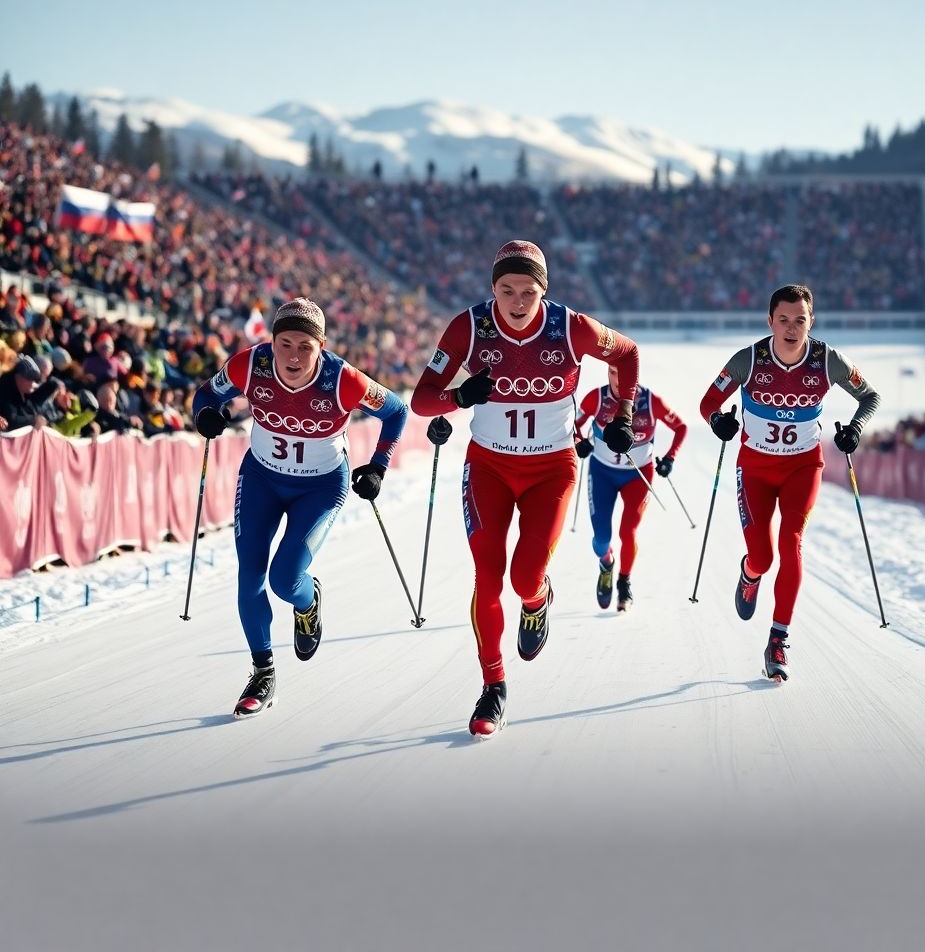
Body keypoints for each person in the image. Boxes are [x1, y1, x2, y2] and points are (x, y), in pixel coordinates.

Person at [411, 240, 640, 738]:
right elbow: (422, 401)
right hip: (488, 469)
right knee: (488, 576)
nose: (517, 302)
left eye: (528, 292)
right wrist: (458, 396)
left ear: (544, 291)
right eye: (506, 290)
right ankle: (493, 687)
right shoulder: (467, 327)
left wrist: (621, 413)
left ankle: (537, 601)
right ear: (492, 288)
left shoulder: (570, 326)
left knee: (524, 577)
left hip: (551, 471)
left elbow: (626, 352)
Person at [191, 297, 408, 718]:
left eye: (305, 347)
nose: (293, 356)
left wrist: (378, 466)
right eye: (284, 344)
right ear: (271, 341)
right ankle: (262, 672)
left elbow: (396, 412)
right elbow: (205, 394)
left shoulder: (343, 378)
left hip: (321, 488)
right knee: (249, 574)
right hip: (261, 479)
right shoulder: (248, 365)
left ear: (321, 346)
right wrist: (205, 416)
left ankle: (308, 602)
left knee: (285, 578)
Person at [698, 284, 880, 681]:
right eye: (784, 319)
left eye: (800, 320)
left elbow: (870, 398)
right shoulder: (748, 359)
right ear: (770, 321)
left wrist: (855, 428)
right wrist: (718, 422)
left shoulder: (829, 360)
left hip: (803, 468)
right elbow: (708, 402)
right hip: (757, 470)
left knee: (791, 541)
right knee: (763, 557)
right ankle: (750, 573)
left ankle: (778, 638)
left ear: (811, 322)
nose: (792, 327)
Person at [574, 365, 687, 612]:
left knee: (628, 532)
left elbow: (681, 427)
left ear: (634, 375)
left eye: (624, 372)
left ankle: (624, 583)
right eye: (613, 372)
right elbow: (573, 425)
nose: (618, 379)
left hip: (638, 475)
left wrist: (669, 459)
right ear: (607, 373)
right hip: (602, 472)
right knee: (602, 539)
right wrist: (579, 443)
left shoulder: (650, 401)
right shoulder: (597, 398)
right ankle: (606, 563)